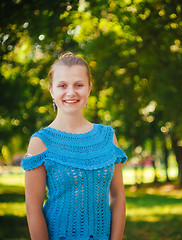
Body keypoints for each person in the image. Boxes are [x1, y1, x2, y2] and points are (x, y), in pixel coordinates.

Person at [21, 52, 127, 240]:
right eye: (62, 85)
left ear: (89, 88)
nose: (71, 92)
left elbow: (118, 197)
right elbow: (33, 209)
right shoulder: (40, 142)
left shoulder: (108, 137)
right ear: (52, 91)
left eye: (79, 85)